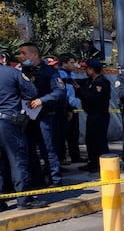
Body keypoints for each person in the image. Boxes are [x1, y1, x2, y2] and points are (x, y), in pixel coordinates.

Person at [0, 55, 48, 210]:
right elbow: (31, 93)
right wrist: (26, 74)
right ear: (2, 58)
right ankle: (24, 199)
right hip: (8, 121)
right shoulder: (12, 72)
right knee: (17, 160)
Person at [18, 42, 67, 188]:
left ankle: (55, 180)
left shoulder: (49, 72)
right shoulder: (23, 71)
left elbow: (60, 92)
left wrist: (42, 100)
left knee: (47, 148)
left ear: (34, 55)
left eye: (23, 53)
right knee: (30, 148)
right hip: (27, 116)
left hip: (45, 115)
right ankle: (37, 180)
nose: (20, 56)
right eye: (19, 53)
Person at [74, 58, 110, 174]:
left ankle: (104, 164)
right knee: (90, 141)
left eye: (87, 68)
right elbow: (82, 83)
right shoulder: (90, 81)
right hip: (91, 115)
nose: (85, 70)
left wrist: (79, 89)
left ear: (92, 69)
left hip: (99, 115)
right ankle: (93, 163)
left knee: (99, 141)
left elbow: (92, 97)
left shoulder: (101, 83)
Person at [57, 53, 85, 165]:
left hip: (74, 108)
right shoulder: (60, 75)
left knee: (74, 134)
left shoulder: (72, 74)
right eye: (72, 63)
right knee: (62, 134)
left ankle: (75, 156)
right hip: (64, 109)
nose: (74, 65)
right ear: (64, 63)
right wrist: (68, 109)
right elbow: (63, 94)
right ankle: (61, 157)